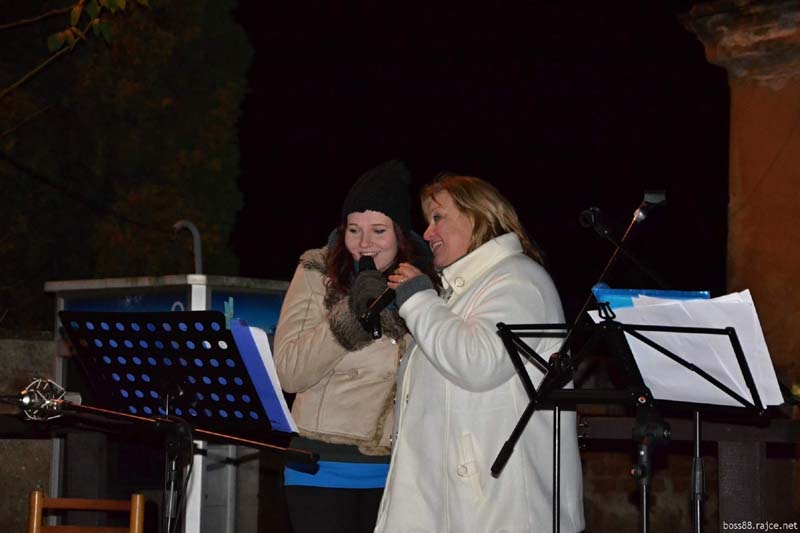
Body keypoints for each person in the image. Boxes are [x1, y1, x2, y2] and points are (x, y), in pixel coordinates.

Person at [374, 173, 585, 532]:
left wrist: (419, 300)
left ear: (477, 216)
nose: (427, 233)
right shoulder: (460, 292)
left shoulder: (519, 280)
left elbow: (477, 363)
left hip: (500, 509)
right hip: (454, 506)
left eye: (438, 217)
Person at [273, 160, 433, 533]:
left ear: (400, 235)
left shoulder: (424, 283)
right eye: (353, 230)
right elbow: (288, 372)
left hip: (398, 470)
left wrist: (418, 301)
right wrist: (351, 316)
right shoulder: (318, 272)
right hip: (320, 465)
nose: (364, 244)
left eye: (379, 230)